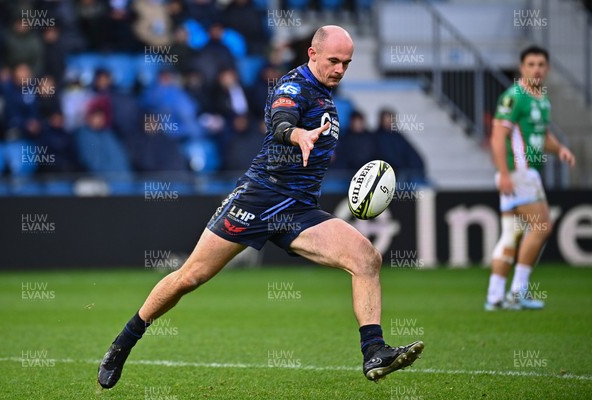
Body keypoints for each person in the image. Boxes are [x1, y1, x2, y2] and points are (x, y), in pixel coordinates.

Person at [97, 25, 424, 389]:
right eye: (334, 60)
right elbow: (281, 119)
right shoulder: (293, 87)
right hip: (259, 198)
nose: (340, 69)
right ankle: (124, 342)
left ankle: (373, 351)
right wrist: (296, 133)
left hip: (298, 210)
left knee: (367, 259)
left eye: (346, 63)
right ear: (312, 54)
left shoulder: (328, 96)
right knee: (190, 277)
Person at [485, 46, 576, 311]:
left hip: (524, 173)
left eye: (541, 64)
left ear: (546, 68)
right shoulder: (514, 97)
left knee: (512, 234)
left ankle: (494, 296)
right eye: (531, 64)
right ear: (522, 68)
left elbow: (542, 136)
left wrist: (560, 150)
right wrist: (504, 172)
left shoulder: (541, 99)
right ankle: (518, 291)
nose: (536, 69)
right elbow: (497, 136)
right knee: (542, 226)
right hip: (518, 172)